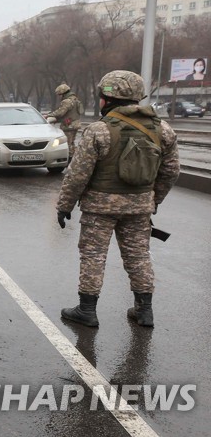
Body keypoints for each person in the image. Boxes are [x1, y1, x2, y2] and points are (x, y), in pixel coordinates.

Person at [56, 70, 179, 328]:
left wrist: (64, 205)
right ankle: (144, 311)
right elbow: (171, 171)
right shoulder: (162, 129)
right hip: (139, 208)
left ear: (107, 99)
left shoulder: (98, 131)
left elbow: (78, 175)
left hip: (99, 208)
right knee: (139, 256)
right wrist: (154, 199)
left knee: (93, 255)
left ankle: (87, 311)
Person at [45, 83, 83, 160]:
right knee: (72, 142)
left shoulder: (67, 101)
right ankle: (73, 158)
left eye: (60, 95)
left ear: (63, 93)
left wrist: (49, 115)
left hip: (68, 125)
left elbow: (60, 112)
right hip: (75, 124)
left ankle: (70, 160)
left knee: (67, 143)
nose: (59, 97)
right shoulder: (75, 99)